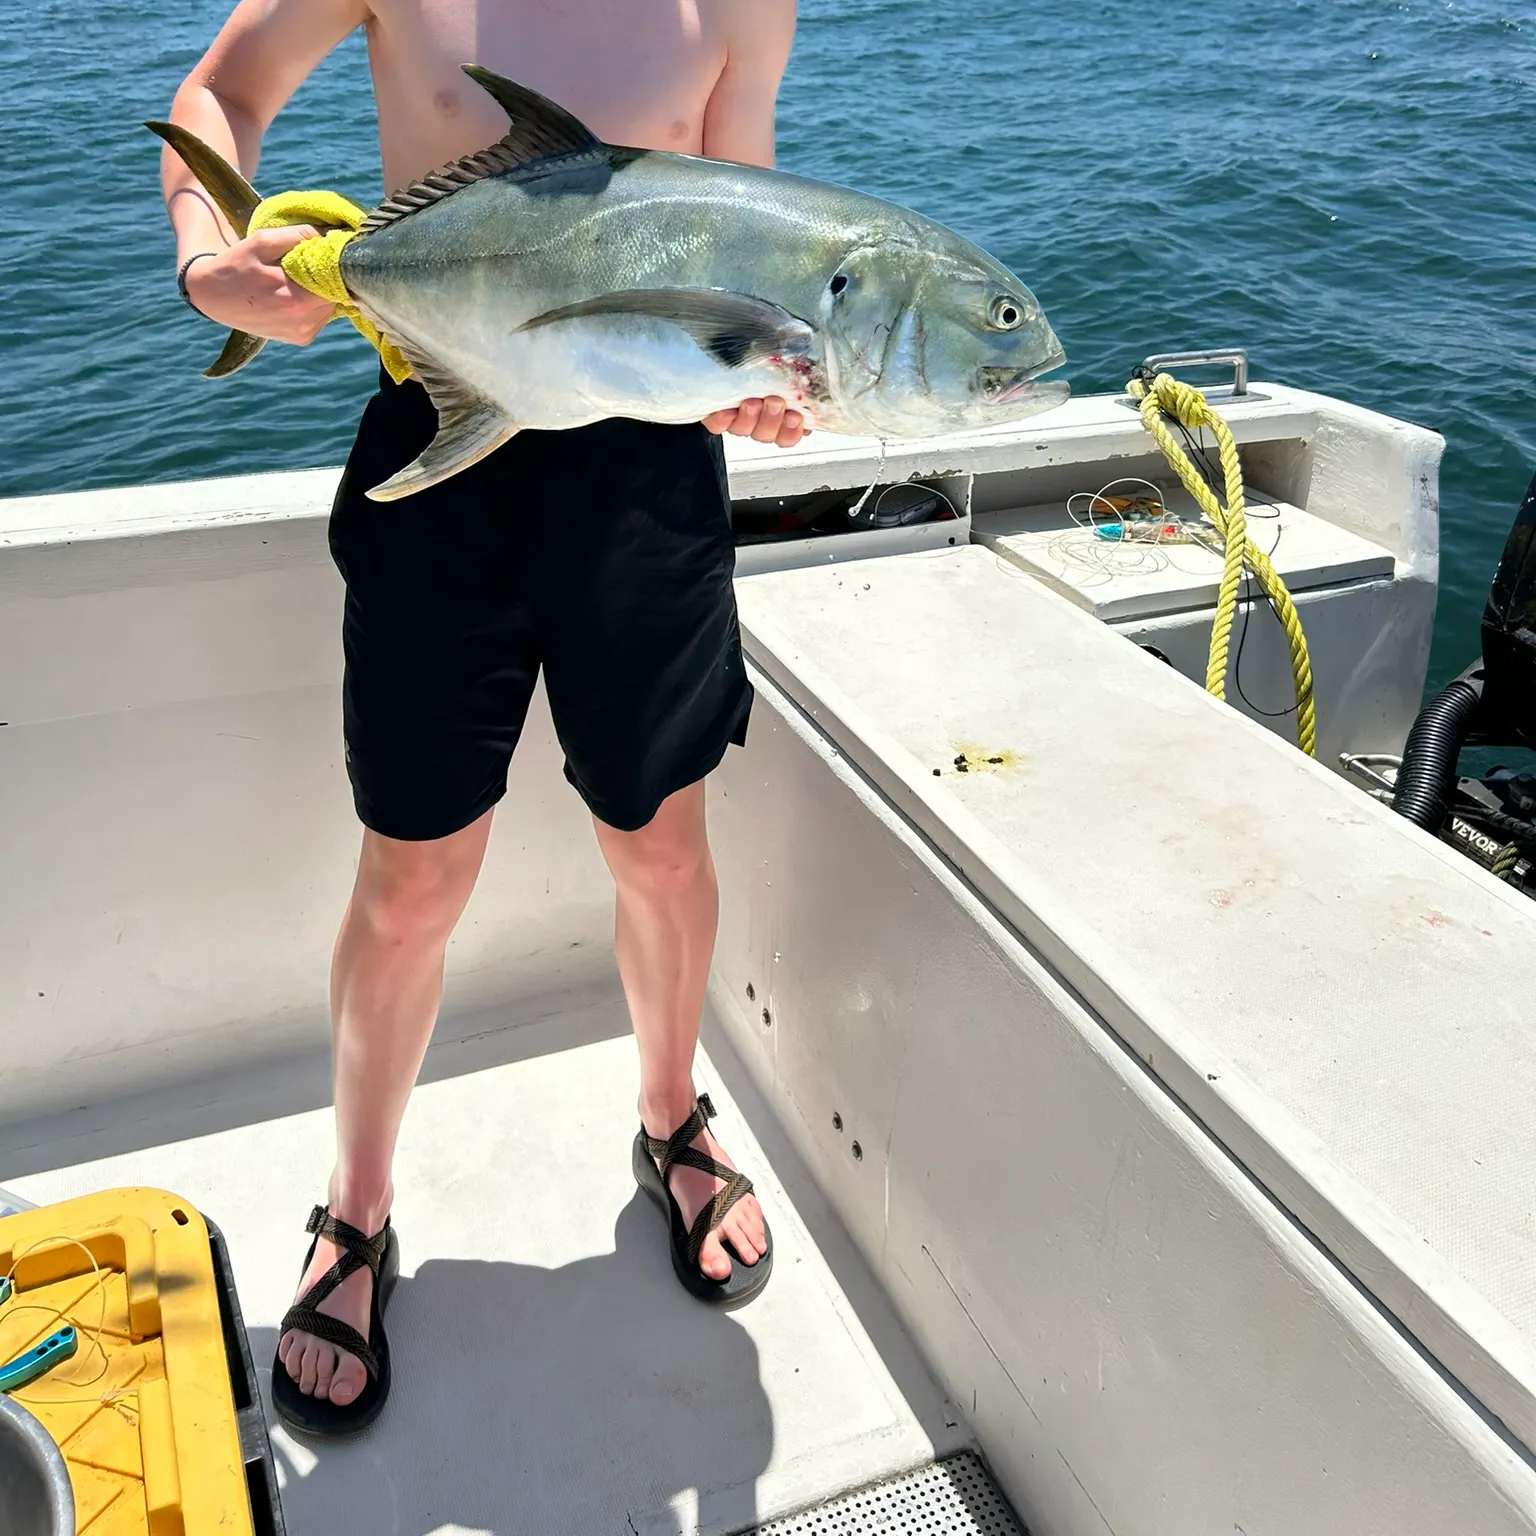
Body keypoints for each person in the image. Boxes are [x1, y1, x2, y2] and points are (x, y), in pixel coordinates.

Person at [160, 0, 800, 1434]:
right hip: (440, 449)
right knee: (411, 880)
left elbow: (741, 233)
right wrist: (212, 266)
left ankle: (670, 1121)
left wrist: (745, 388)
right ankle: (357, 1210)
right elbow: (224, 91)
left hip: (642, 480)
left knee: (660, 848)